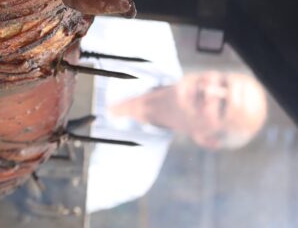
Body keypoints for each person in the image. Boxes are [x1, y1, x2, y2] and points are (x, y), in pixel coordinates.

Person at [81, 17, 268, 213]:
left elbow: (58, 196)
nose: (210, 92)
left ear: (207, 139)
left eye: (222, 106)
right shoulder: (150, 32)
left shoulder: (135, 174)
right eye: (222, 82)